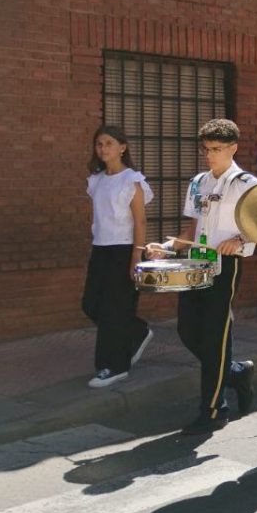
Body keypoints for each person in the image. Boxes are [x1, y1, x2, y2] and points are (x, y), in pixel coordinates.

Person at [147, 119, 257, 434]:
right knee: (187, 330)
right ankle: (235, 372)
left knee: (216, 336)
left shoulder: (246, 183)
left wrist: (238, 241)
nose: (210, 155)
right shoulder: (198, 182)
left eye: (217, 149)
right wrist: (168, 247)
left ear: (233, 148)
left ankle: (214, 410)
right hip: (196, 264)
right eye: (207, 149)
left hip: (226, 266)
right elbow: (192, 230)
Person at [82, 125, 154, 388]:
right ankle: (136, 330)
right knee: (91, 304)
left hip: (124, 249)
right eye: (99, 144)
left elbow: (140, 222)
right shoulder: (96, 180)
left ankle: (113, 367)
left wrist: (137, 256)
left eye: (109, 143)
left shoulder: (131, 181)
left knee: (114, 310)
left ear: (122, 147)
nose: (103, 148)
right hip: (101, 249)